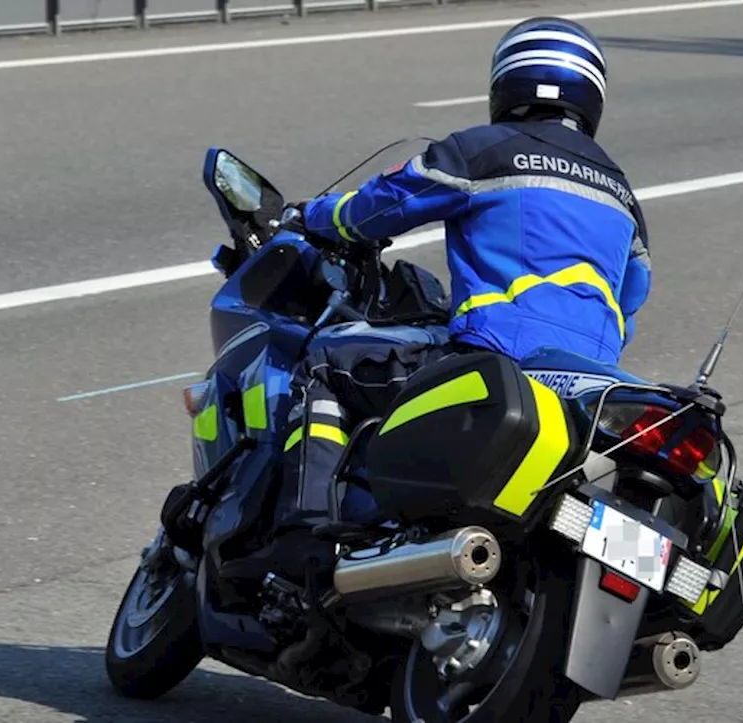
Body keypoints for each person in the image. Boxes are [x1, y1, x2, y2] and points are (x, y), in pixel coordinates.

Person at [220, 16, 653, 584]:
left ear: (507, 84)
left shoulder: (485, 151)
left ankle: (304, 537)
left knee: (326, 364)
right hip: (588, 387)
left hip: (495, 358)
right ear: (591, 95)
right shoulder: (621, 194)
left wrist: (312, 217)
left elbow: (383, 204)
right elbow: (633, 295)